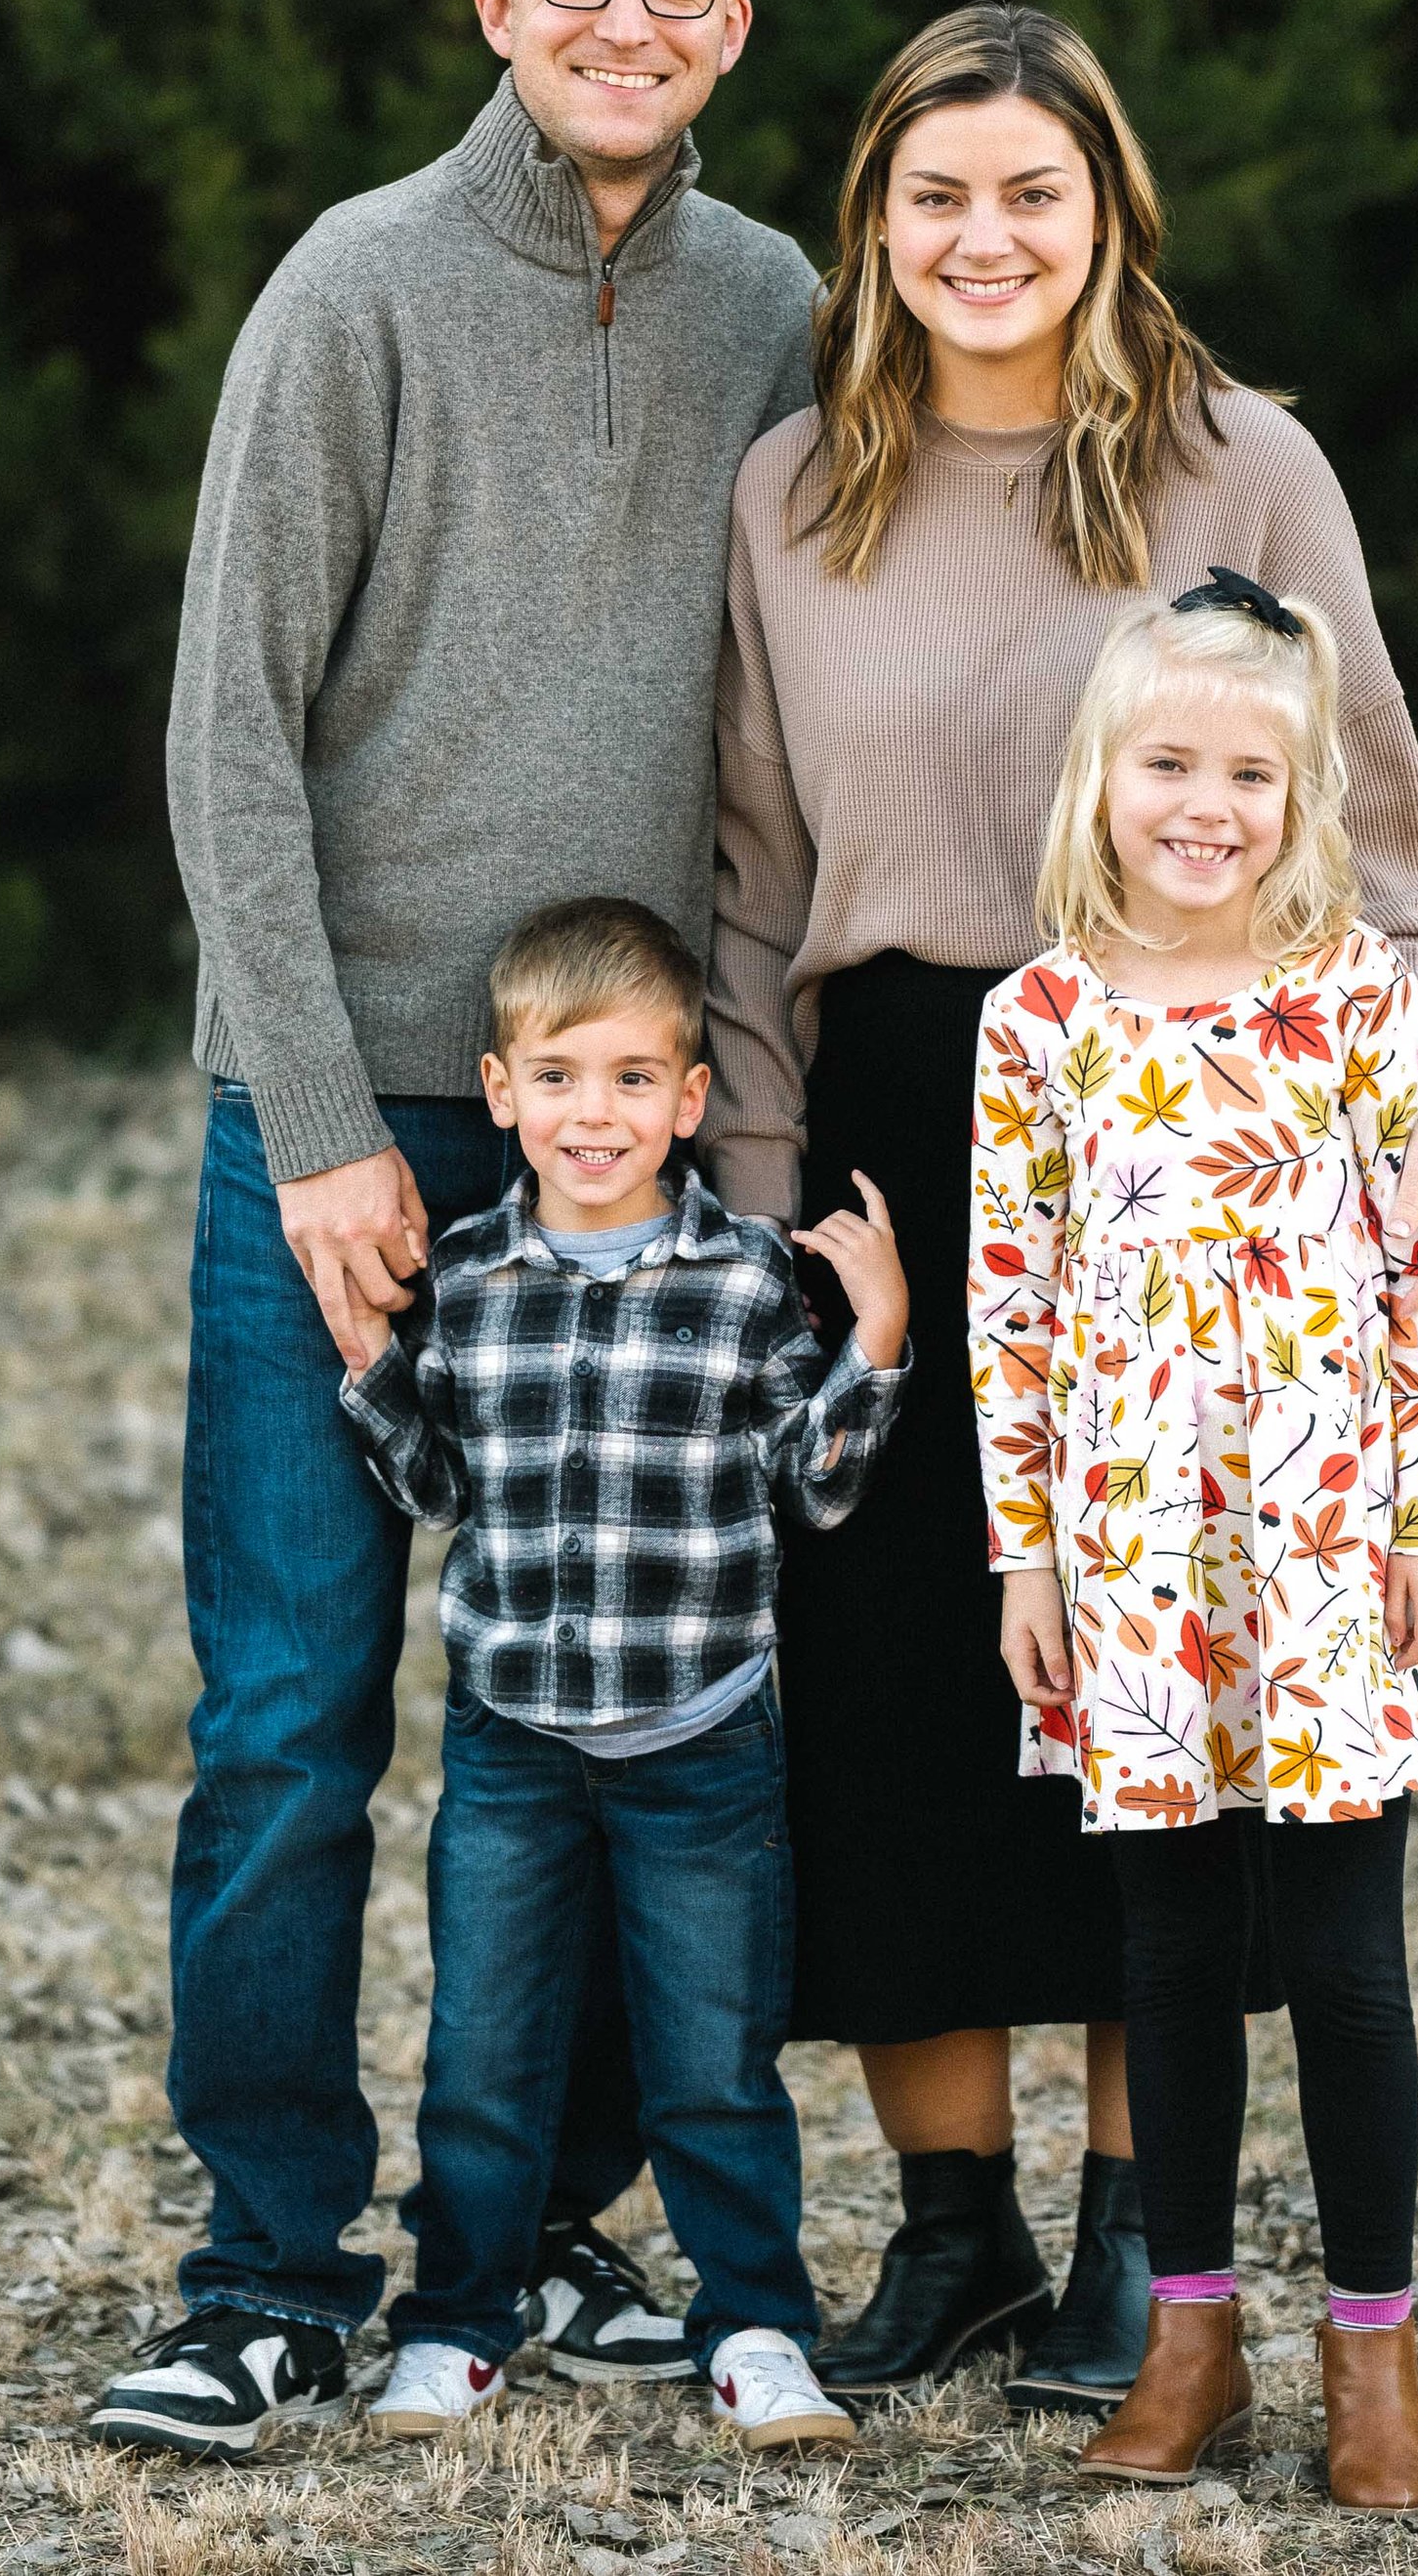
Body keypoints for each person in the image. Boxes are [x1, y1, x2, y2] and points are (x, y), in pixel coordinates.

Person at [703, 2, 1418, 2416]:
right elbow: (750, 880)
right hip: (888, 1121)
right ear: (872, 219)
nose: (984, 238)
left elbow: (1373, 826)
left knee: (1156, 1679)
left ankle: (1138, 2246)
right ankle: (947, 2226)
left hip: (1203, 1124)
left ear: (1105, 213)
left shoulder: (1238, 463)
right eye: (934, 194)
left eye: (1030, 194)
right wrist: (757, 1222)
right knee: (896, 1683)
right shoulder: (791, 492)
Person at [96, 0, 818, 2459]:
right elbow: (227, 733)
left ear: (731, 25)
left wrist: (738, 1110)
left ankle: (543, 2220)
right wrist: (314, 1123)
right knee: (297, 1706)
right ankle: (267, 2264)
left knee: (632, 1695)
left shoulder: (776, 308)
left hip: (621, 1117)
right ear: (494, 4)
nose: (626, 20)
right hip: (359, 1101)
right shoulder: (354, 285)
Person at [976, 584, 1418, 2510]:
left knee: (1344, 1962)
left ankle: (1372, 2355)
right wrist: (1027, 1561)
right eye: (1168, 763)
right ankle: (1189, 2338)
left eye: (1249, 774)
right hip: (1130, 1554)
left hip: (1324, 1537)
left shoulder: (1356, 995)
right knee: (1170, 1953)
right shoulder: (1038, 1019)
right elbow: (1013, 1309)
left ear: (1302, 795)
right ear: (1101, 776)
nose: (1205, 805)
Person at [338, 898, 911, 2450]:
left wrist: (875, 1342)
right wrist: (371, 1364)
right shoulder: (466, 1276)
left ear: (691, 1095)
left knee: (713, 2063)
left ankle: (758, 2330)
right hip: (513, 1738)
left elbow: (813, 1489)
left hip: (702, 1738)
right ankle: (457, 2323)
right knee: (483, 2057)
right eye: (560, 1077)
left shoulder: (744, 1277)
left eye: (635, 1078)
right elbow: (437, 1485)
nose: (597, 1113)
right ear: (501, 1089)